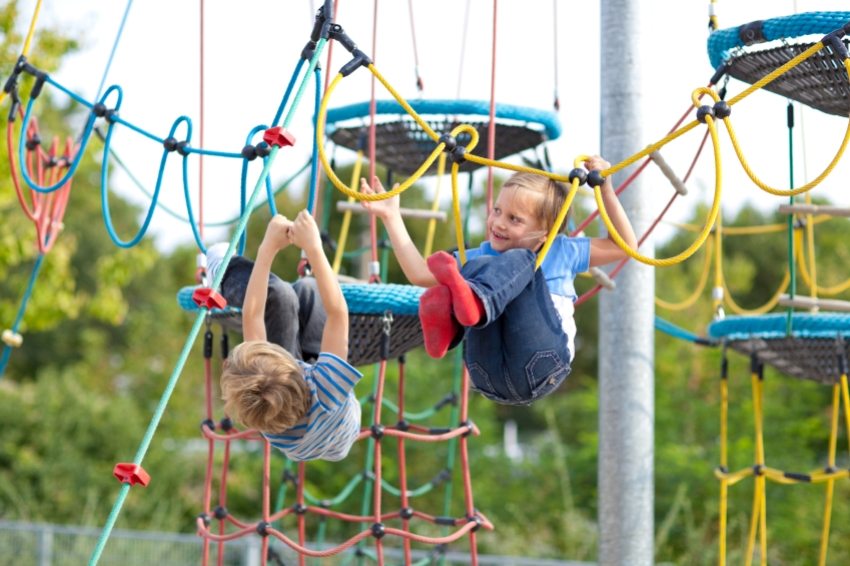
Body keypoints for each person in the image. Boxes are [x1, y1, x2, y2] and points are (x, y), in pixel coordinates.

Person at [360, 156, 638, 406]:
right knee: (475, 266)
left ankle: (465, 308)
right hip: (487, 375)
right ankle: (458, 313)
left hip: (542, 365)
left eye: (514, 219)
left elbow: (626, 245)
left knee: (520, 261)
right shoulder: (482, 256)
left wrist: (606, 191)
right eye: (497, 211)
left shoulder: (562, 250)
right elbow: (420, 274)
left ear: (545, 233)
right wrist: (391, 217)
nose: (499, 223)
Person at [213, 211, 363, 461]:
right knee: (307, 289)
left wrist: (269, 248)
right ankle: (228, 271)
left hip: (297, 426)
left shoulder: (261, 410)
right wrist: (313, 247)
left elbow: (252, 316)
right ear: (295, 367)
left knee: (287, 295)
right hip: (338, 427)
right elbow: (337, 312)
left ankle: (226, 272)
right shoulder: (328, 390)